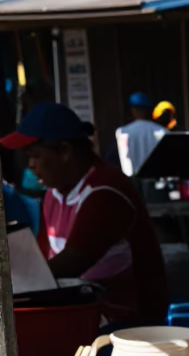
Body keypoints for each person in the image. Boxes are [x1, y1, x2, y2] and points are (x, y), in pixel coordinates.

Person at [0, 102, 168, 324]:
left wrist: (9, 283)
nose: (31, 165)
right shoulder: (53, 194)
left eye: (36, 156)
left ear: (65, 151)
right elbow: (44, 257)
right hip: (86, 313)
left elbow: (72, 262)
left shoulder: (105, 190)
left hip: (128, 325)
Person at [115, 90, 166, 176]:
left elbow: (113, 159)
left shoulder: (122, 132)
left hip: (132, 181)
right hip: (157, 180)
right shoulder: (163, 131)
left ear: (133, 110)